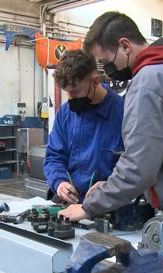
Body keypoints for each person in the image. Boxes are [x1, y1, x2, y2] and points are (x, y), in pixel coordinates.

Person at [60, 11, 163, 225]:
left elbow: (139, 167)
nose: (109, 72)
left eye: (106, 62)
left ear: (125, 46)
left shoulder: (147, 82)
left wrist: (88, 207)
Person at [44, 49, 124, 204]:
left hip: (113, 208)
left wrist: (113, 186)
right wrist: (59, 182)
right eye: (67, 93)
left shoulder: (124, 113)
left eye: (74, 92)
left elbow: (138, 166)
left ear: (95, 81)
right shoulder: (66, 113)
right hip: (73, 205)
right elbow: (54, 156)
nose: (70, 98)